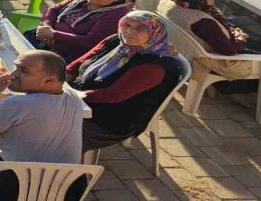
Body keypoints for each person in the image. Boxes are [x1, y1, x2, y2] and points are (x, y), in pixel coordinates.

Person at [0, 50, 85, 199]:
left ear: (49, 80)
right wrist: (3, 98)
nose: (13, 74)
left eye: (23, 71)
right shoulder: (72, 97)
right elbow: (35, 107)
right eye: (15, 67)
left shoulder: (18, 104)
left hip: (20, 189)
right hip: (69, 189)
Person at [66, 11, 185, 151]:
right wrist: (61, 79)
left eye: (140, 28)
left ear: (155, 33)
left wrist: (66, 96)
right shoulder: (117, 42)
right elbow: (76, 65)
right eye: (127, 25)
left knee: (50, 129)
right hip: (82, 100)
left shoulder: (154, 66)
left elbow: (111, 95)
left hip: (106, 122)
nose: (129, 31)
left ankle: (65, 160)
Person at [158, 0, 261, 94]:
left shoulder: (170, 1)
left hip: (185, 52)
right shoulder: (200, 21)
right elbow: (229, 51)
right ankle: (232, 89)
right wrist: (240, 38)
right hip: (215, 61)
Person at [26, 0, 135, 61]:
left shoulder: (115, 15)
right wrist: (47, 26)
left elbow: (90, 42)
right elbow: (53, 9)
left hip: (69, 54)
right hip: (48, 38)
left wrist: (54, 34)